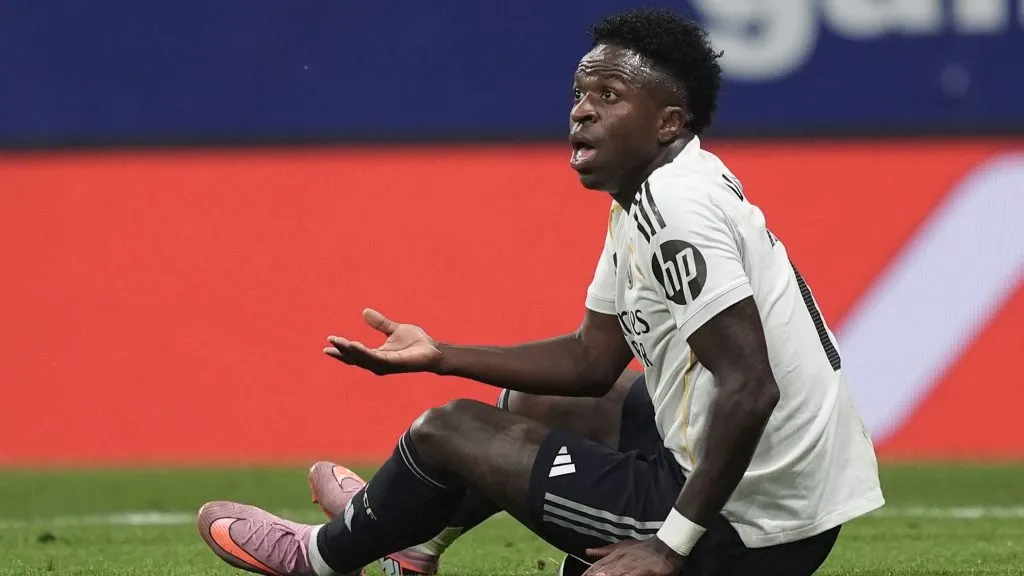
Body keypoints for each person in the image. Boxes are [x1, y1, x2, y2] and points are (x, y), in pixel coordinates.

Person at [196, 8, 884, 576]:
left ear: (669, 122)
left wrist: (668, 546)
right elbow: (590, 361)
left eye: (608, 96)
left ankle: (320, 558)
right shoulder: (654, 192)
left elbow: (751, 386)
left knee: (446, 432)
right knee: (534, 401)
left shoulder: (675, 206)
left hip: (751, 529)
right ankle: (410, 538)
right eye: (580, 94)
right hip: (783, 494)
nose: (581, 112)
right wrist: (440, 355)